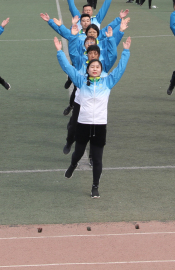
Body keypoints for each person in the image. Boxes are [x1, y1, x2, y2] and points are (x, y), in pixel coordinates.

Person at [56, 35, 131, 199]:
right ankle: (73, 165)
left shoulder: (107, 82)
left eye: (97, 67)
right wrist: (60, 52)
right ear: (88, 69)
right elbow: (68, 68)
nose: (95, 69)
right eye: (92, 67)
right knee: (78, 153)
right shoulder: (81, 81)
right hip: (83, 124)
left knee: (97, 159)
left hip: (100, 126)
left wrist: (125, 52)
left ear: (100, 69)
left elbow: (120, 69)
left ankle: (95, 186)